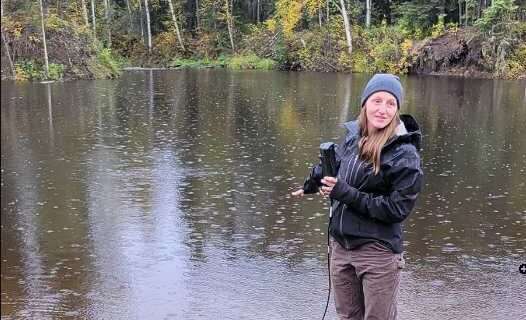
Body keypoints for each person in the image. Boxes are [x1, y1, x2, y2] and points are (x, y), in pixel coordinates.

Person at [292, 73, 423, 320]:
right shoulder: (354, 138)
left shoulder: (405, 154)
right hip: (341, 248)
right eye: (377, 101)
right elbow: (337, 166)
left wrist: (346, 193)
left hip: (377, 252)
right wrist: (312, 183)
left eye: (390, 103)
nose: (383, 109)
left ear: (397, 109)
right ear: (364, 103)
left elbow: (397, 210)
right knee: (348, 316)